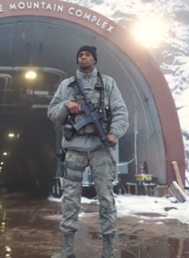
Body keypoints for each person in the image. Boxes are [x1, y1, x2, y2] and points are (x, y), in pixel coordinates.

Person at [47, 45, 129, 258]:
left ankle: (108, 248)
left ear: (95, 59)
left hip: (100, 148)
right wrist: (67, 105)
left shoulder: (108, 83)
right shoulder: (66, 85)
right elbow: (53, 114)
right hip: (74, 148)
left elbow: (120, 112)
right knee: (70, 197)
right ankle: (67, 248)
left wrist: (114, 133)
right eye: (80, 55)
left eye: (87, 55)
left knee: (105, 196)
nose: (83, 58)